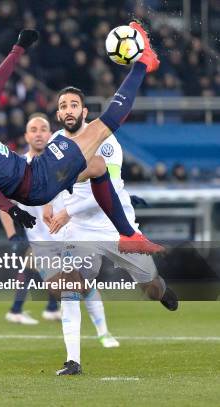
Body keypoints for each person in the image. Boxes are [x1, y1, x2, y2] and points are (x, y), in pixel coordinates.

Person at [0, 22, 162, 255]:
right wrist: (12, 211)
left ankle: (127, 235)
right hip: (36, 183)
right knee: (100, 129)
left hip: (33, 170)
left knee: (96, 165)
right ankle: (144, 62)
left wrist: (18, 48)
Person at [43, 87, 178, 375]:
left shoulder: (105, 141)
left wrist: (67, 211)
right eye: (63, 105)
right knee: (70, 289)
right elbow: (52, 182)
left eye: (74, 105)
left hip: (115, 228)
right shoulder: (55, 144)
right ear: (58, 114)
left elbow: (109, 190)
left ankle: (160, 289)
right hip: (79, 233)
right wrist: (50, 204)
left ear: (84, 112)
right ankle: (73, 361)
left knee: (151, 288)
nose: (68, 110)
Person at [0, 115, 121, 349]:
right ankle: (39, 311)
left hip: (70, 238)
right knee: (68, 290)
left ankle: (103, 333)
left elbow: (90, 189)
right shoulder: (18, 169)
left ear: (51, 135)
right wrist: (13, 236)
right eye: (33, 129)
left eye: (43, 129)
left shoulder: (63, 163)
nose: (38, 133)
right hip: (43, 246)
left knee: (84, 286)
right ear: (26, 136)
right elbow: (4, 206)